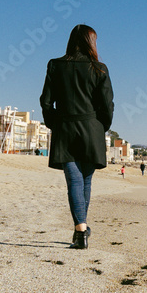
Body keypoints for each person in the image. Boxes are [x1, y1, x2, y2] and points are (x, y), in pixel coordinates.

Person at [39, 24, 114, 250]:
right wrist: (102, 127)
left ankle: (80, 230)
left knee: (74, 180)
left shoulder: (55, 65)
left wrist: (55, 123)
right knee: (85, 181)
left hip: (65, 129)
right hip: (92, 129)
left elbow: (45, 101)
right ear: (91, 42)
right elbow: (107, 105)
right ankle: (81, 229)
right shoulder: (99, 69)